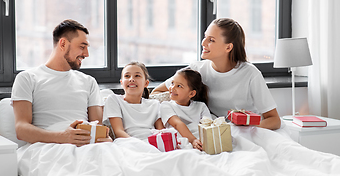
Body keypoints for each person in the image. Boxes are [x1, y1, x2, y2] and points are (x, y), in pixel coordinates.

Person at [152, 18, 281, 130]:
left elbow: (274, 119)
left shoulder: (250, 74)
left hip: (245, 131)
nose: (203, 43)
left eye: (211, 40)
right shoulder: (197, 69)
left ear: (228, 47)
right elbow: (156, 93)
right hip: (212, 130)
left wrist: (247, 130)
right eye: (205, 37)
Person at [12, 19, 111, 147]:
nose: (86, 54)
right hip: (48, 147)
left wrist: (104, 138)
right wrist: (63, 137)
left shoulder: (89, 82)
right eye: (82, 47)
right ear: (63, 44)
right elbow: (21, 130)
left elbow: (97, 126)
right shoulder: (27, 78)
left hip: (87, 146)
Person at [103, 61, 164, 140]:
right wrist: (139, 144)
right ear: (121, 83)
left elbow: (161, 132)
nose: (131, 79)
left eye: (137, 76)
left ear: (146, 83)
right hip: (127, 143)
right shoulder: (114, 100)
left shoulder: (155, 104)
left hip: (152, 143)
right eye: (127, 76)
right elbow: (118, 132)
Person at [160, 68, 212, 150]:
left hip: (200, 141)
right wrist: (193, 140)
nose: (172, 88)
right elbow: (178, 124)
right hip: (181, 142)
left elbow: (208, 125)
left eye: (179, 86)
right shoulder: (166, 105)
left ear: (191, 93)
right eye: (172, 83)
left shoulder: (201, 106)